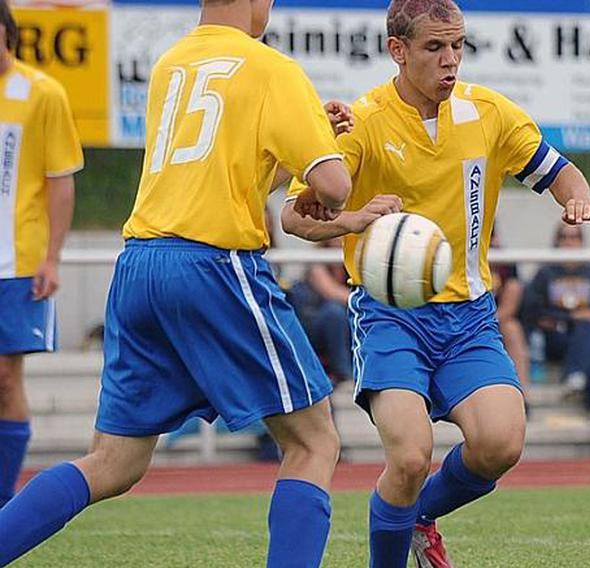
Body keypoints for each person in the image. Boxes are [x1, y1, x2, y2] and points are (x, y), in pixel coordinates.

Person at [0, 1, 353, 566]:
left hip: (141, 265)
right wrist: (322, 144)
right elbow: (334, 188)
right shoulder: (270, 67)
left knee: (112, 463)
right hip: (212, 265)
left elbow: (226, 169)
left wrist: (302, 143)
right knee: (314, 442)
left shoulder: (171, 63)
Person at [280, 1, 590, 565]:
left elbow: (559, 171)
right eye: (434, 47)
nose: (450, 60)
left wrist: (576, 195)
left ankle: (416, 515)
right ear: (397, 51)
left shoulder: (490, 113)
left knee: (501, 443)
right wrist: (352, 220)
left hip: (470, 317)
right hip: (390, 315)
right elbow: (293, 215)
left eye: (457, 46)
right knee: (408, 458)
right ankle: (396, 531)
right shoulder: (364, 121)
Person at [0, 2, 82, 509]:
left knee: (6, 378)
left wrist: (52, 257)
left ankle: (3, 501)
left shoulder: (41, 92)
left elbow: (60, 182)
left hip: (18, 262)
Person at [523, 224, 590, 422]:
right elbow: (536, 311)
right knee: (587, 343)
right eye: (564, 237)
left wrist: (566, 317)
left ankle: (576, 377)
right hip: (553, 337)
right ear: (557, 240)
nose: (569, 242)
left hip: (579, 334)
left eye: (574, 237)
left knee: (588, 329)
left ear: (582, 241)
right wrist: (571, 317)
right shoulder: (545, 272)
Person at [286, 237, 354, 385]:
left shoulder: (352, 261)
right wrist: (365, 300)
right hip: (315, 326)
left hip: (343, 326)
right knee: (334, 312)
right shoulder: (317, 262)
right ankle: (345, 374)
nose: (339, 237)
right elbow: (332, 292)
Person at [490, 225, 530, 391]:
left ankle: (522, 391)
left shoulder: (504, 261)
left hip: (490, 318)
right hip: (455, 315)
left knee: (512, 329)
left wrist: (485, 321)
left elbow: (510, 303)